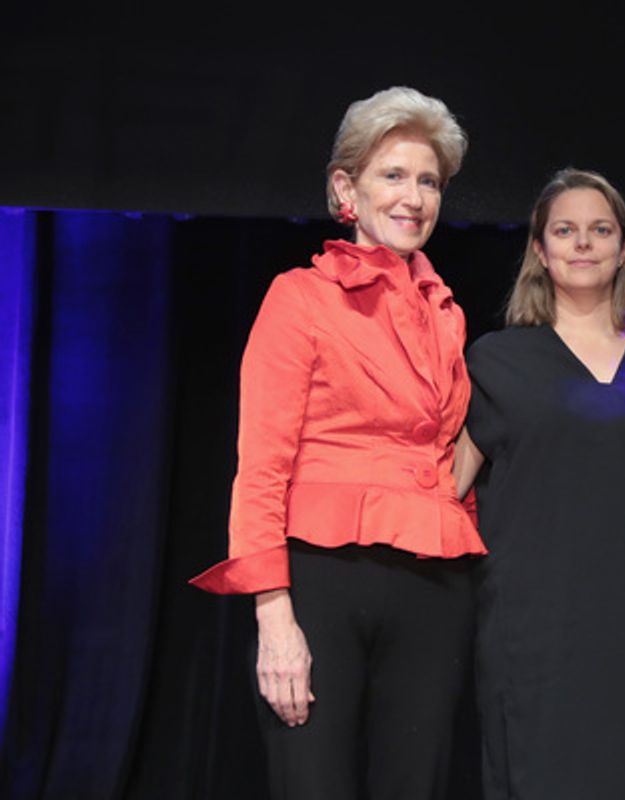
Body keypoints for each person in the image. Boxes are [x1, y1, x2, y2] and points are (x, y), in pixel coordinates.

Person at [189, 86, 485, 799]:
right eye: (393, 175)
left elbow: (446, 454)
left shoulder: (447, 311)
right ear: (345, 189)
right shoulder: (299, 297)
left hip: (435, 584)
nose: (413, 197)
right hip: (320, 579)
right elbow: (260, 467)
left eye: (428, 181)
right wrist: (273, 615)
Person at [454, 168, 625, 800]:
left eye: (600, 230)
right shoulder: (494, 360)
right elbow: (447, 486)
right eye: (565, 230)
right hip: (535, 626)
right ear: (540, 249)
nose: (583, 243)